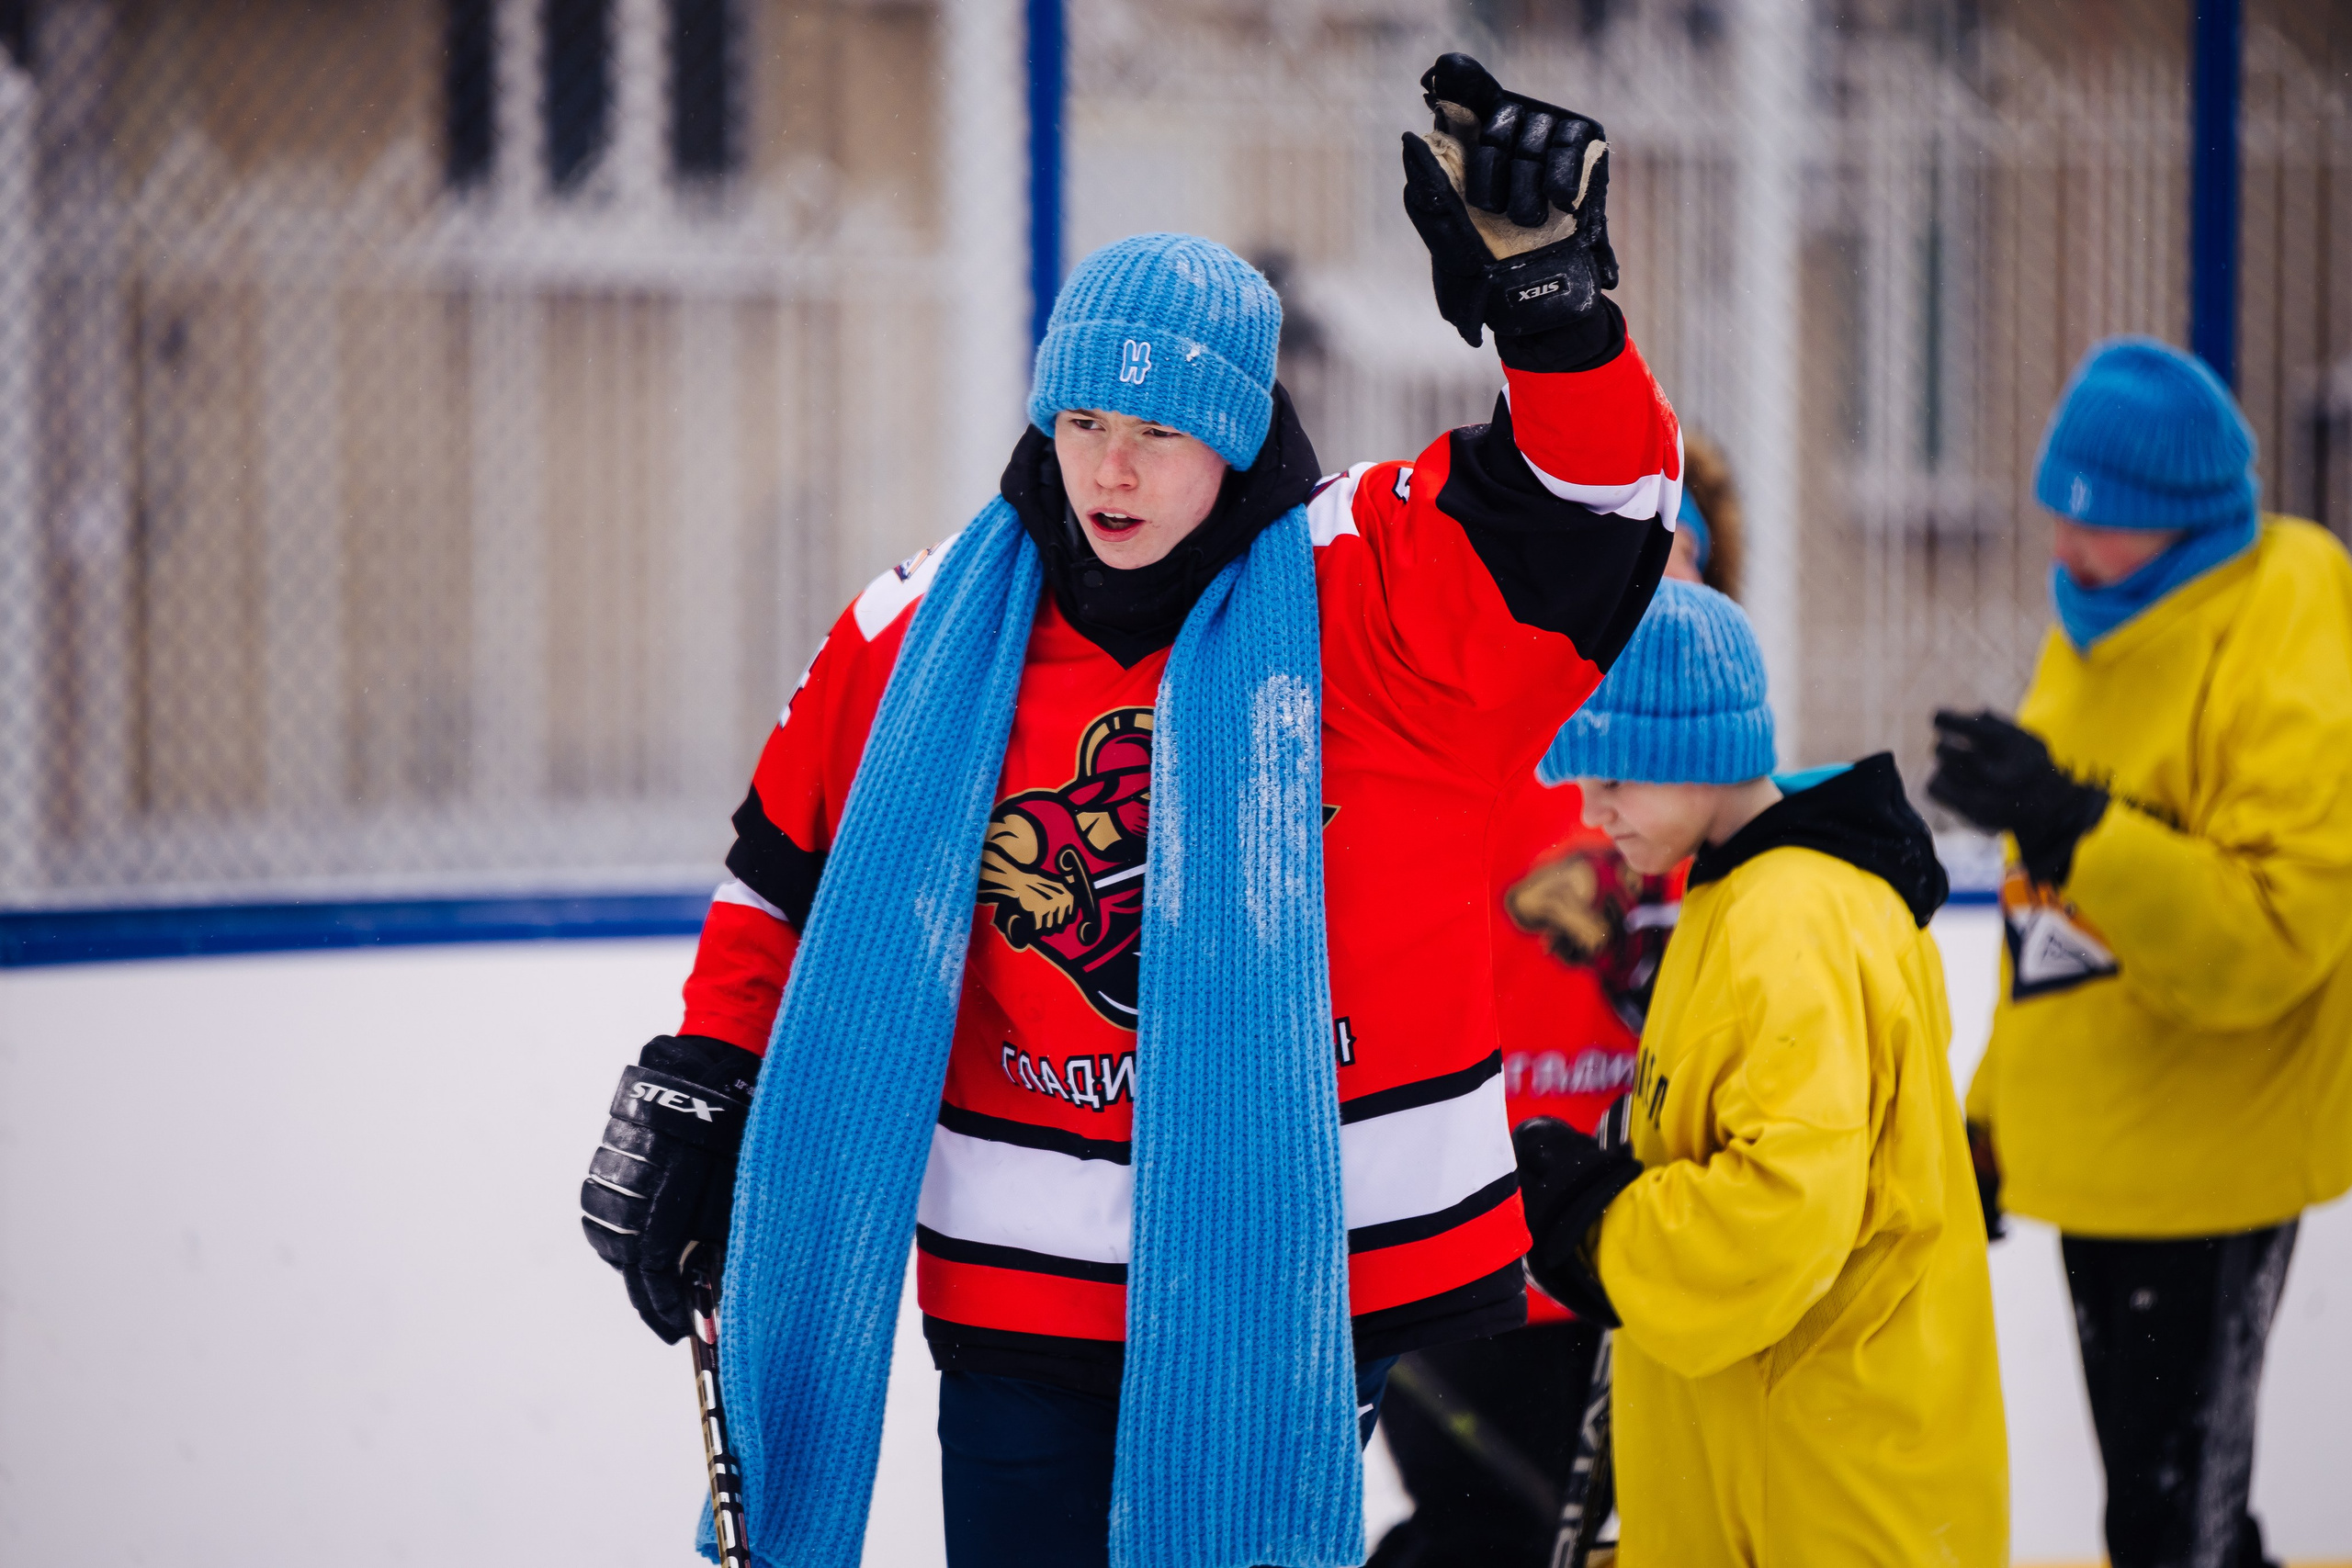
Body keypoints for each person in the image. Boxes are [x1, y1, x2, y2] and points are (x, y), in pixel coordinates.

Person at [577, 53, 1687, 1568]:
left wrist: (1554, 310)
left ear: (1234, 436)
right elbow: (784, 884)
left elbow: (1597, 508)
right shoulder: (916, 636)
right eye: (1085, 418)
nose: (1110, 463)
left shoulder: (1365, 595)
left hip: (1300, 1260)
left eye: (1158, 431)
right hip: (1017, 1279)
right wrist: (710, 1070)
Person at [1929, 336, 2352, 1568]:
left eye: (2092, 523)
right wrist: (1994, 1110)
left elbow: (2277, 934)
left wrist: (2077, 821)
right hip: (2105, 1137)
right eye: (2054, 514)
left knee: (2178, 1522)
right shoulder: (2106, 616)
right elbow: (2053, 921)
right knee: (2160, 1513)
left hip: (2213, 1159)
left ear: (2181, 517)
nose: (2063, 549)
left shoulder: (2284, 614)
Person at [1512, 578, 2009, 1567]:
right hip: (1776, 1463)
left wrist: (1594, 1225)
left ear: (1693, 749)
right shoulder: (1746, 895)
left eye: (1617, 772)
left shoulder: (1789, 922)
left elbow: (1779, 1215)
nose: (1591, 807)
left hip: (1812, 1493)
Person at [1371, 433, 1742, 1568]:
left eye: (1689, 558)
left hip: (1638, 1246)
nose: (1660, 582)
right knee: (1487, 1539)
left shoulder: (1712, 776)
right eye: (1641, 554)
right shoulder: (1490, 740)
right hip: (1480, 1252)